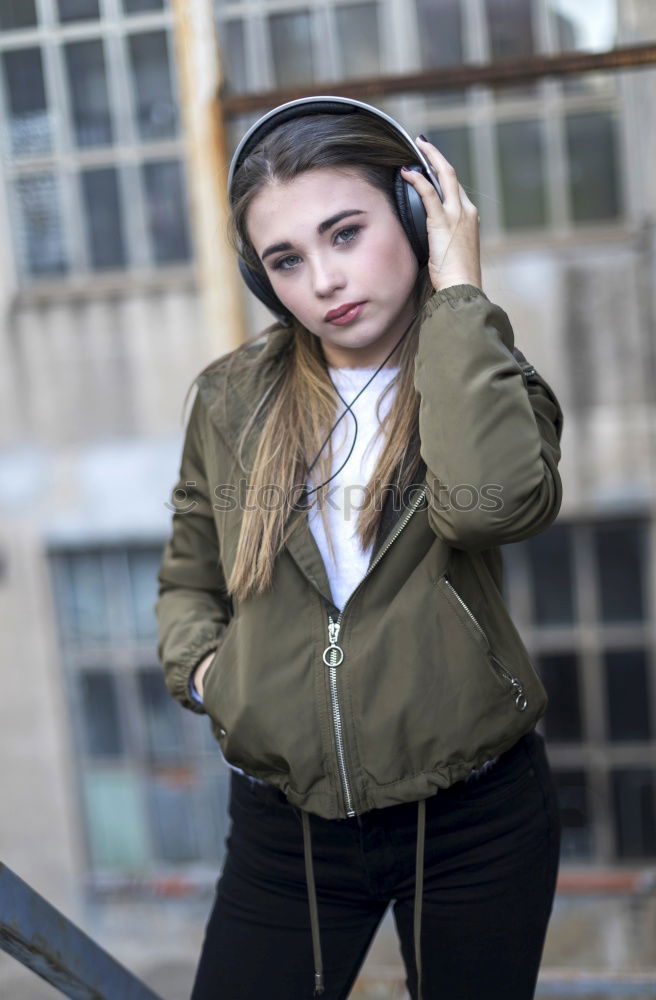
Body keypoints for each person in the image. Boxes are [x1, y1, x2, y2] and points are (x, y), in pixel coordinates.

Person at [154, 96, 564, 1000]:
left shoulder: (485, 379)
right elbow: (190, 573)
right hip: (284, 830)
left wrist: (459, 293)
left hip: (475, 822)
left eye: (347, 233)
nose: (325, 281)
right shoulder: (230, 400)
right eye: (288, 261)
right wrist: (208, 675)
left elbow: (488, 506)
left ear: (417, 213)